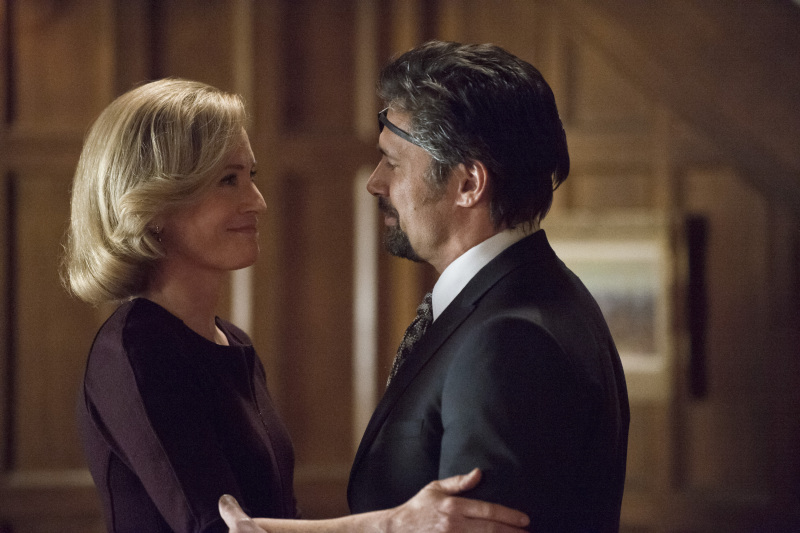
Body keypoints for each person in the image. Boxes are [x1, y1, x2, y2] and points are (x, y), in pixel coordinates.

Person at [63, 78, 530, 533]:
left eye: (251, 177)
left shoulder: (230, 341)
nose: (258, 201)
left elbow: (277, 515)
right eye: (228, 180)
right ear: (154, 206)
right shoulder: (135, 349)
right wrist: (393, 525)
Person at [343, 41, 630, 532]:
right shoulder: (542, 294)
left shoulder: (509, 340)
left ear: (469, 184)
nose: (374, 182)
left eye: (392, 162)